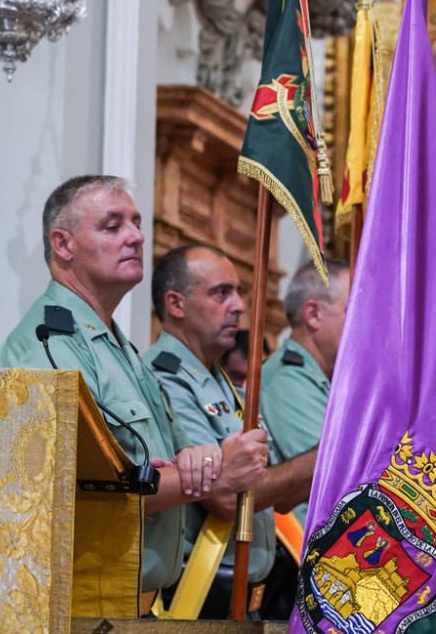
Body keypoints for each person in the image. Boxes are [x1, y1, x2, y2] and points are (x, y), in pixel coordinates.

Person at [0, 176, 268, 608]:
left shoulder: (120, 348)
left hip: (136, 603)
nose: (137, 236)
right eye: (112, 225)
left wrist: (197, 461)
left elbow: (159, 460)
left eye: (137, 223)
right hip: (82, 607)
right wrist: (217, 474)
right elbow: (91, 484)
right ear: (63, 245)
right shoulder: (51, 344)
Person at [145, 244, 318, 619]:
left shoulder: (223, 384)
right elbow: (226, 497)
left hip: (247, 599)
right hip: (199, 600)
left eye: (238, 292)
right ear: (176, 304)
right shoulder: (164, 378)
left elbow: (280, 495)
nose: (239, 306)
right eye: (221, 293)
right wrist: (330, 453)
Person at [260, 258, 351, 523]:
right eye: (353, 309)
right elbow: (345, 477)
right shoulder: (287, 381)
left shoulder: (322, 378)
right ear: (313, 315)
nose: (367, 321)